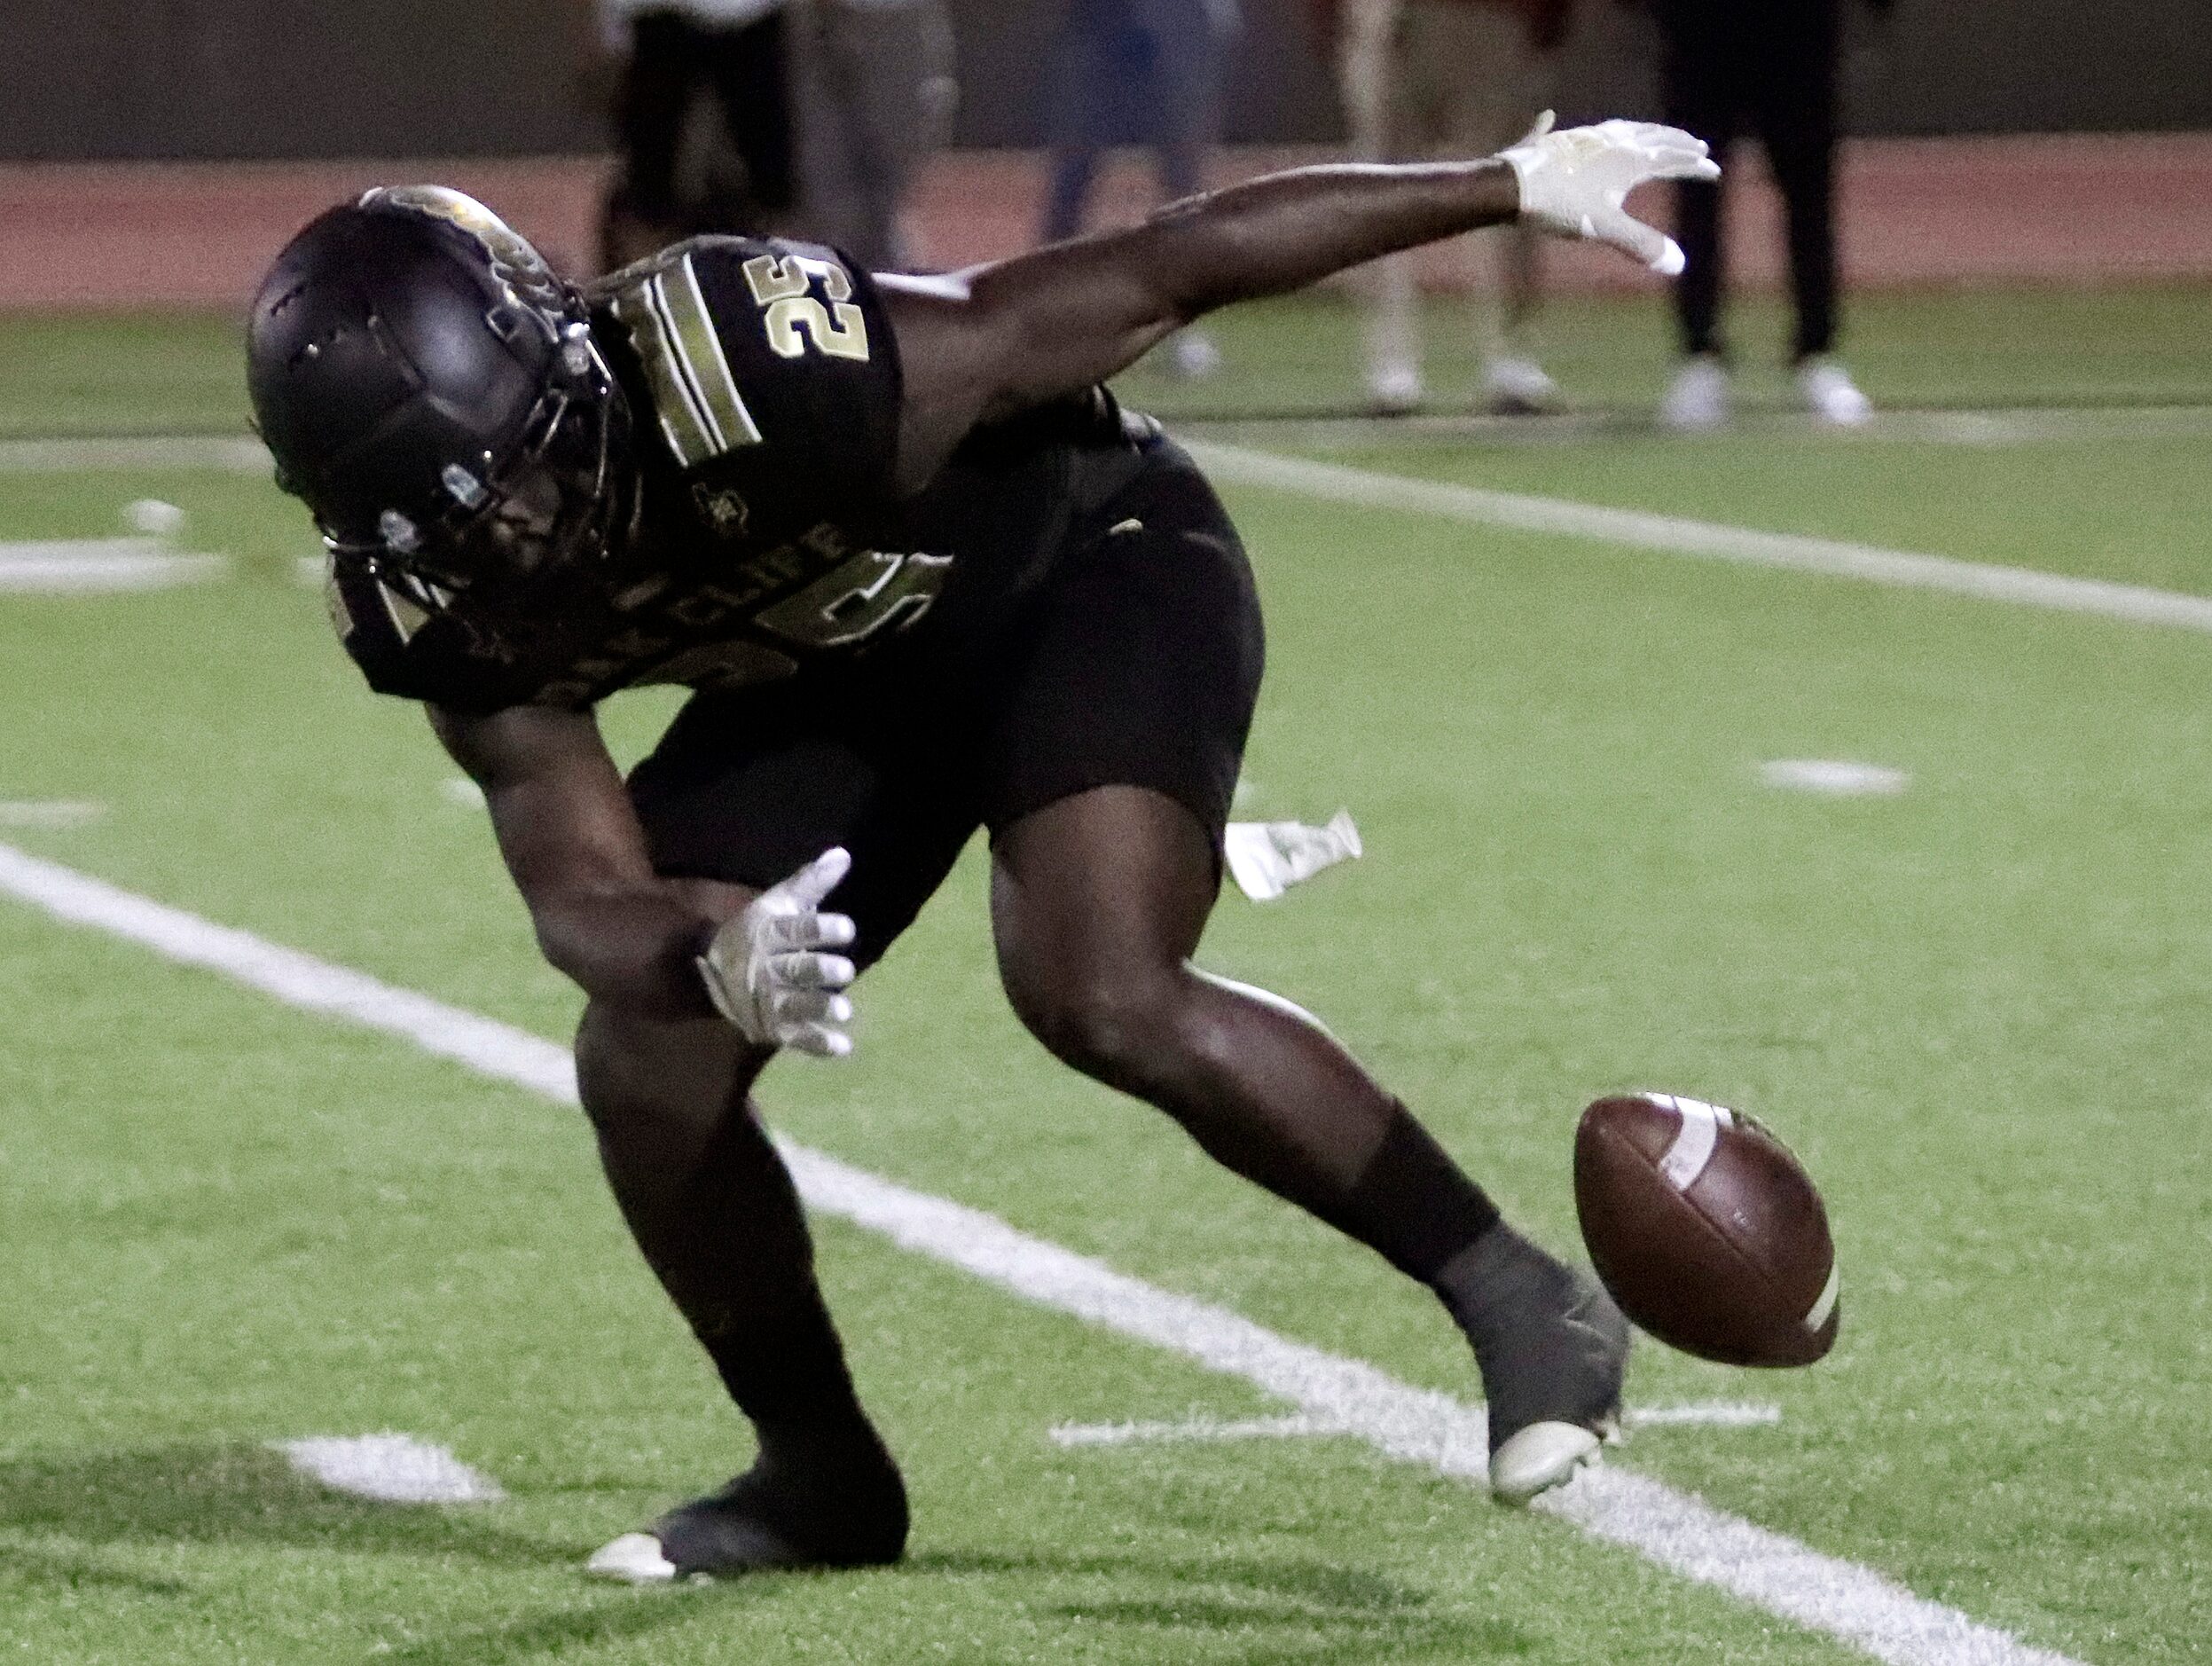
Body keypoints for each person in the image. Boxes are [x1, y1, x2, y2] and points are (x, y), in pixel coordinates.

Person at [245, 120, 1716, 1581]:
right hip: (838, 671)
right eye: (455, 518)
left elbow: (1158, 268)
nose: (512, 532)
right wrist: (710, 959)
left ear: (564, 356)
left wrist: (1496, 185)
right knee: (644, 1061)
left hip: (1078, 566)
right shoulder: (423, 606)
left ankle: (1514, 1289)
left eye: (523, 469)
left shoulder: (739, 359)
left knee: (1099, 984)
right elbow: (574, 884)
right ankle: (819, 1475)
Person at [1639, 0, 1889, 429]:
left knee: (1809, 193)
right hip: (1702, 27)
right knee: (1696, 193)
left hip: (1797, 25)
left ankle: (1817, 353)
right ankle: (1699, 356)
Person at [1325, 0, 1573, 413]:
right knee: (1380, 185)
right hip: (1390, 15)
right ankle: (1391, 363)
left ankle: (1512, 357)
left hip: (1491, 18)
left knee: (1512, 179)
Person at [1037, 0, 1240, 377]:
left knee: (1185, 182)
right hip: (1098, 16)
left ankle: (1184, 326)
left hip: (1181, 13)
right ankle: (1040, 320)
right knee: (1073, 167)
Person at [598, 0, 799, 270]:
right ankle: (637, 289)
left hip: (747, 15)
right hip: (656, 17)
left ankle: (789, 280)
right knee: (648, 186)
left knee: (771, 181)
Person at [785, 0, 958, 271]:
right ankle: (834, 278)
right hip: (817, 16)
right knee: (825, 174)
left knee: (891, 173)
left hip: (895, 13)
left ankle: (886, 278)